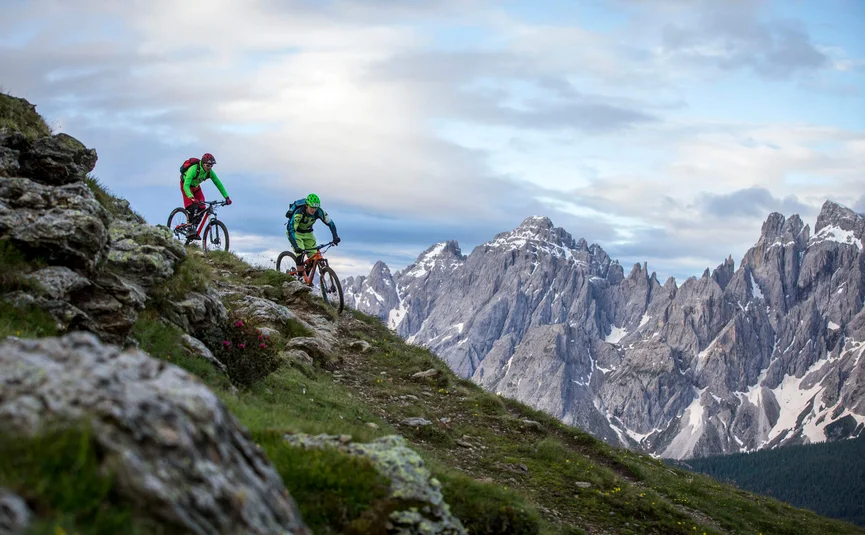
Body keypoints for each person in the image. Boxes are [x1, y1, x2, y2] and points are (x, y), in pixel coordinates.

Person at [180, 153, 232, 239]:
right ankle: (189, 229)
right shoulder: (193, 169)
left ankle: (194, 229)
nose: (209, 168)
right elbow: (186, 185)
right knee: (192, 206)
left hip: (196, 187)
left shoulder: (209, 172)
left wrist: (226, 197)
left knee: (202, 207)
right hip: (186, 186)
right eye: (208, 165)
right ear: (203, 163)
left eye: (211, 166)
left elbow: (218, 183)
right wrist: (191, 197)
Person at [286, 193, 340, 274]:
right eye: (311, 207)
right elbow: (291, 230)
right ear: (307, 205)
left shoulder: (319, 212)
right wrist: (296, 246)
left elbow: (330, 223)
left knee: (313, 257)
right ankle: (300, 275)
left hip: (308, 233)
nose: (313, 210)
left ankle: (306, 277)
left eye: (315, 208)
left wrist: (335, 236)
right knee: (300, 253)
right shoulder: (299, 213)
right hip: (295, 233)